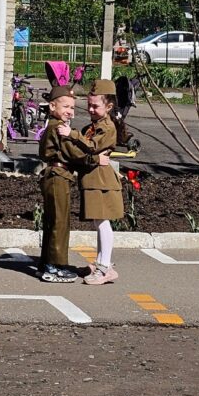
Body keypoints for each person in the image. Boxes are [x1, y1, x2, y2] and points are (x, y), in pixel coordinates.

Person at [37, 85, 110, 283]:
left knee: (53, 221)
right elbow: (73, 153)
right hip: (59, 175)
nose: (70, 111)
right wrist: (96, 160)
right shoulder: (59, 128)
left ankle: (47, 262)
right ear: (52, 106)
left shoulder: (52, 124)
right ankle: (56, 267)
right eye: (66, 106)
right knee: (60, 222)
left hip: (54, 175)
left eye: (73, 108)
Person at [58, 79, 125, 285]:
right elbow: (81, 151)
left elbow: (92, 146)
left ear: (109, 106)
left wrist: (72, 134)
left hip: (102, 181)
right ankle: (100, 262)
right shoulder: (93, 126)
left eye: (95, 105)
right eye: (89, 104)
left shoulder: (107, 127)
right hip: (93, 180)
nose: (90, 109)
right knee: (98, 222)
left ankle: (105, 267)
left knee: (103, 223)